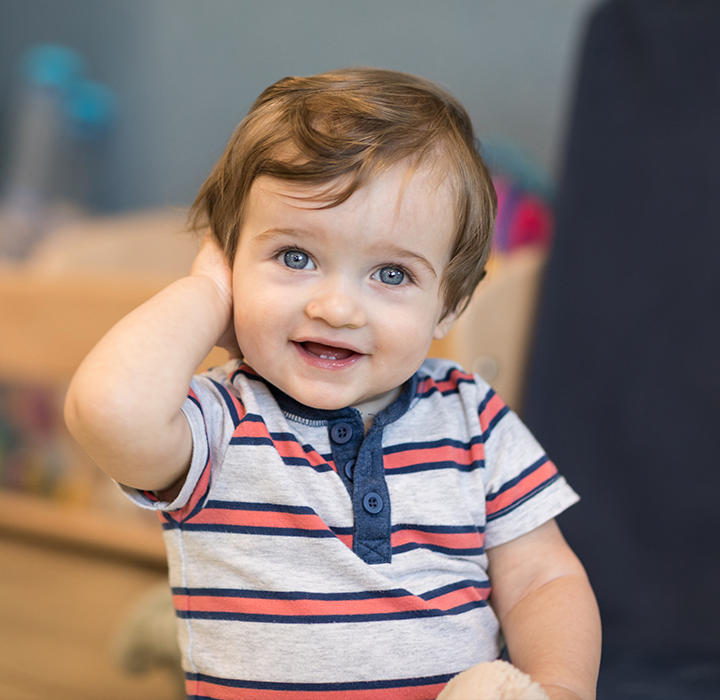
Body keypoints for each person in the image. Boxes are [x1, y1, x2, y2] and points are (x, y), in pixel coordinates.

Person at [64, 68, 601, 700]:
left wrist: (561, 686)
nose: (338, 308)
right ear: (231, 260)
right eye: (295, 257)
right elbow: (108, 411)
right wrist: (209, 292)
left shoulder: (472, 415)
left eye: (393, 275)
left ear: (449, 305)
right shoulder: (223, 418)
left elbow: (542, 577)